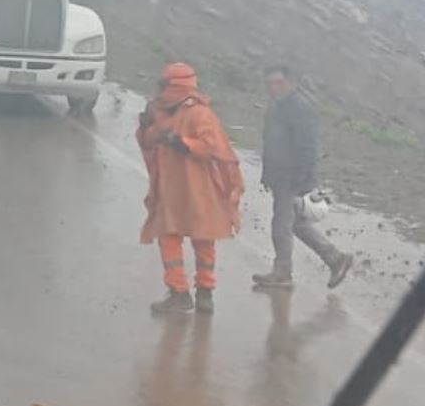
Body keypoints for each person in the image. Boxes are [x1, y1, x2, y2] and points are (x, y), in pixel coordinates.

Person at [137, 62, 244, 315]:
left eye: (164, 85)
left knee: (203, 239)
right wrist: (145, 127)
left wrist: (182, 143)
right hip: (169, 189)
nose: (160, 91)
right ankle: (179, 292)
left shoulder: (200, 114)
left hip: (199, 190)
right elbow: (149, 142)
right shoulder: (161, 112)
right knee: (168, 238)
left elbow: (212, 147)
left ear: (177, 87)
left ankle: (205, 293)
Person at [254, 64, 353, 290]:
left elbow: (308, 148)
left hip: (291, 178)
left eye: (278, 83)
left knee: (281, 223)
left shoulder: (299, 107)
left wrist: (301, 180)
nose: (273, 88)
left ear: (290, 82)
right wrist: (266, 174)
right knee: (296, 223)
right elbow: (271, 143)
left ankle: (282, 273)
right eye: (270, 84)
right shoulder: (275, 106)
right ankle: (336, 258)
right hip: (279, 176)